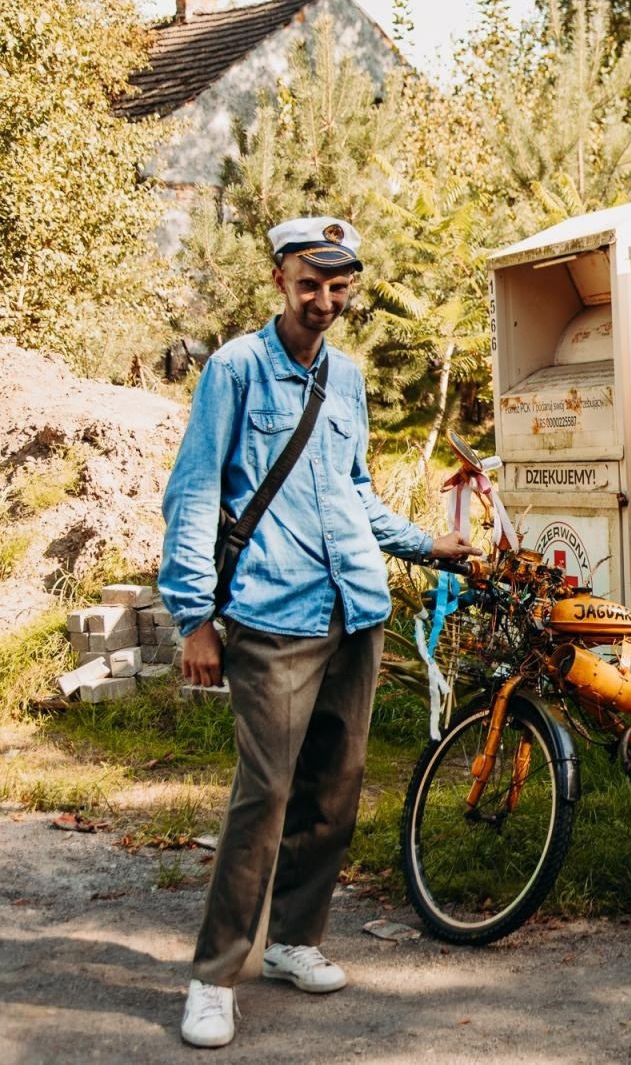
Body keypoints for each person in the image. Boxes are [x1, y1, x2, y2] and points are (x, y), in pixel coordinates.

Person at [158, 216, 479, 1049]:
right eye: (310, 283)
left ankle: (296, 941)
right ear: (278, 280)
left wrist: (424, 543)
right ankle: (214, 975)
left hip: (354, 610)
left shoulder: (349, 379)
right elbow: (194, 494)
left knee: (334, 790)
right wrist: (195, 618)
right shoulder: (234, 369)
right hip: (270, 614)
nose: (325, 301)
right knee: (263, 796)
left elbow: (354, 492)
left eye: (339, 287)